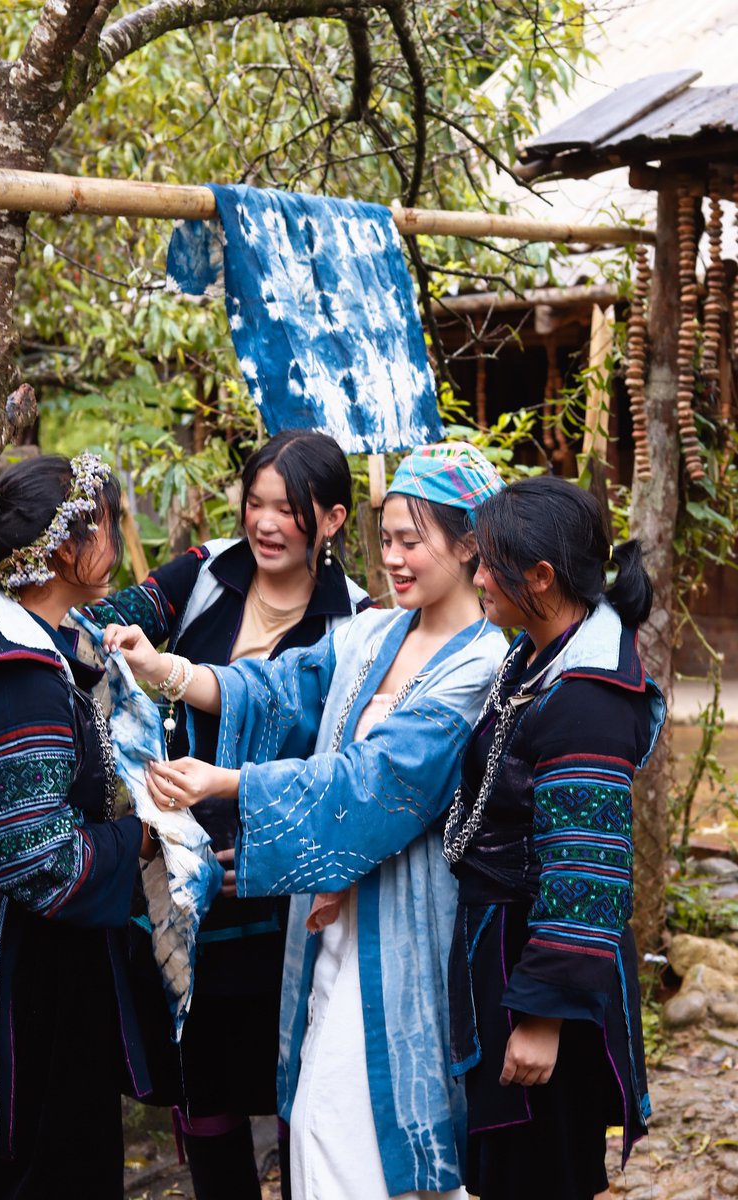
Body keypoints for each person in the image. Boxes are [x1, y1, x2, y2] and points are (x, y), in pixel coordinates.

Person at [105, 442, 510, 1200]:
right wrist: (166, 669)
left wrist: (230, 780)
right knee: (325, 1134)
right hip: (330, 929)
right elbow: (283, 685)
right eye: (385, 539)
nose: (391, 558)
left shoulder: (478, 666)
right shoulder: (373, 632)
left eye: (411, 541)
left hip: (408, 930)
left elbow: (377, 780)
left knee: (362, 1136)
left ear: (469, 545)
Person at [83, 429, 369, 1200]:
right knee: (202, 1088)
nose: (265, 523)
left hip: (283, 898)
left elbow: (343, 764)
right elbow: (95, 620)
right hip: (183, 883)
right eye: (255, 503)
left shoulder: (359, 627)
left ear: (333, 519)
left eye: (289, 509)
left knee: (294, 1087)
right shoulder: (205, 574)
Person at [441, 475, 666, 1200]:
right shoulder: (539, 655)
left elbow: (587, 875)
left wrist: (541, 1016)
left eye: (490, 564)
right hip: (509, 954)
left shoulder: (589, 697)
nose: (477, 578)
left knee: (543, 1173)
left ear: (541, 576)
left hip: (544, 976)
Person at [0, 453, 155, 1200]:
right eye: (108, 525)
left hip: (50, 953)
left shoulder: (37, 631)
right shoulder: (19, 677)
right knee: (55, 1164)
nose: (120, 539)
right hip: (37, 969)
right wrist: (149, 841)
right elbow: (36, 856)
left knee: (54, 1155)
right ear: (65, 548)